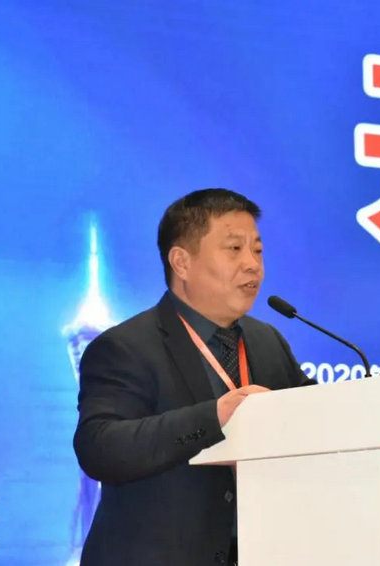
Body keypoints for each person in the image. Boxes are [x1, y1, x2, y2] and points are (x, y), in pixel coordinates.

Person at [73, 188, 312, 566]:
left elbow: (313, 418)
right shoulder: (125, 347)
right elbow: (100, 447)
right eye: (234, 249)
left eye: (258, 250)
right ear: (181, 262)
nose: (252, 265)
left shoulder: (268, 341)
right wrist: (214, 416)